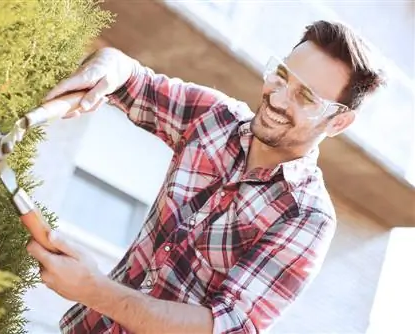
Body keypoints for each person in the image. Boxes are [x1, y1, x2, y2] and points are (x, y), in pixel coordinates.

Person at [26, 20, 385, 333]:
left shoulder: (307, 216)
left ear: (338, 121)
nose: (277, 98)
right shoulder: (215, 118)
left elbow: (225, 327)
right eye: (281, 75)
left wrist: (94, 290)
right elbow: (131, 77)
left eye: (305, 97)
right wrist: (103, 68)